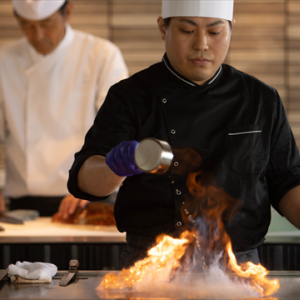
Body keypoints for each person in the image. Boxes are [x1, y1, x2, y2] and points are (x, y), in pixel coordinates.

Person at [68, 0, 300, 268]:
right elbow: (85, 181)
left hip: (240, 268)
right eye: (187, 31)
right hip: (152, 264)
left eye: (214, 32)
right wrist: (114, 166)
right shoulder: (130, 97)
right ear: (162, 28)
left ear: (231, 29)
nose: (201, 44)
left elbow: (286, 181)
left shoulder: (261, 99)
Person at [0, 0, 128, 217]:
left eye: (46, 24)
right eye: (27, 25)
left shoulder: (101, 55)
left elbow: (120, 132)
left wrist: (92, 185)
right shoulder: (4, 60)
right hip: (23, 204)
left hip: (88, 199)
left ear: (67, 12)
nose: (38, 35)